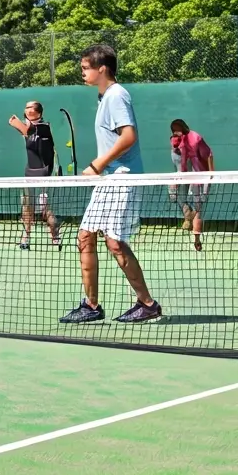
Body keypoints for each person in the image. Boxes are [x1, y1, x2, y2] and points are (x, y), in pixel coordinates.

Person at [59, 45, 161, 324]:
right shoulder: (105, 97)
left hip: (121, 177)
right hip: (109, 178)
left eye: (85, 67)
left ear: (101, 68)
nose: (82, 72)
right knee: (85, 236)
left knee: (115, 242)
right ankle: (91, 305)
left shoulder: (116, 95)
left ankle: (147, 303)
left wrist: (97, 164)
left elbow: (128, 136)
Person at [8, 101, 60, 250]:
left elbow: (28, 130)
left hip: (45, 172)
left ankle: (55, 235)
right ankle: (26, 236)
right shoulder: (26, 126)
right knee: (27, 206)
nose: (29, 109)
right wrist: (19, 123)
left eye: (33, 107)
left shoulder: (45, 127)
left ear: (40, 112)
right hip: (29, 171)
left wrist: (16, 122)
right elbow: (26, 130)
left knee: (46, 207)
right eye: (27, 107)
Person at [169, 119, 213, 252]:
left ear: (184, 128)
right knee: (172, 193)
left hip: (199, 174)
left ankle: (196, 239)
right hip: (184, 174)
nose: (176, 132)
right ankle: (188, 215)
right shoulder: (175, 143)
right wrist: (177, 180)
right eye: (173, 130)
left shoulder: (195, 139)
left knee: (199, 207)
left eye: (178, 129)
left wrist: (211, 174)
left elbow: (209, 154)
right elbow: (180, 165)